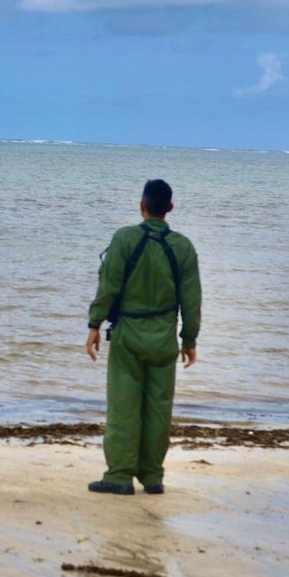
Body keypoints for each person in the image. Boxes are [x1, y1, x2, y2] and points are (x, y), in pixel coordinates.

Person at [85, 179, 201, 495]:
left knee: (124, 408)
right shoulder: (183, 247)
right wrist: (189, 340)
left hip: (128, 336)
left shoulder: (124, 239)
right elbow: (192, 299)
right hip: (164, 339)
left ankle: (119, 476)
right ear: (170, 208)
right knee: (159, 410)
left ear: (142, 206)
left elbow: (108, 286)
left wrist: (94, 324)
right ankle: (153, 477)